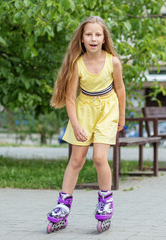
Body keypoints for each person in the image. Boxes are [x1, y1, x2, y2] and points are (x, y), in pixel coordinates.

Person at [46, 16, 125, 233]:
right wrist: (76, 125)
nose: (93, 38)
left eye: (98, 34)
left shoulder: (113, 61)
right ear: (81, 38)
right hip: (83, 111)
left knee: (100, 157)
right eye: (88, 34)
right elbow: (70, 99)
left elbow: (120, 90)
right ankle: (63, 204)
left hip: (108, 111)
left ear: (103, 38)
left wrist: (122, 117)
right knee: (76, 160)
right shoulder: (77, 64)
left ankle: (105, 200)